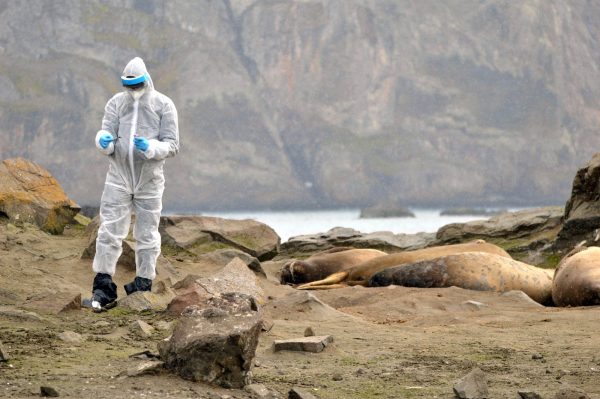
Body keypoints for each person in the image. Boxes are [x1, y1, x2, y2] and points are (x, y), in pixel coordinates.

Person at [82, 57, 179, 312]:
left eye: (136, 85)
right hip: (119, 176)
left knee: (147, 233)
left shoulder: (163, 105)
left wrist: (152, 147)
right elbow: (108, 134)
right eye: (129, 86)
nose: (133, 90)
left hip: (149, 179)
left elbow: (173, 144)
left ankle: (143, 282)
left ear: (145, 81)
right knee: (109, 230)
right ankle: (103, 285)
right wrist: (103, 142)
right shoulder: (116, 103)